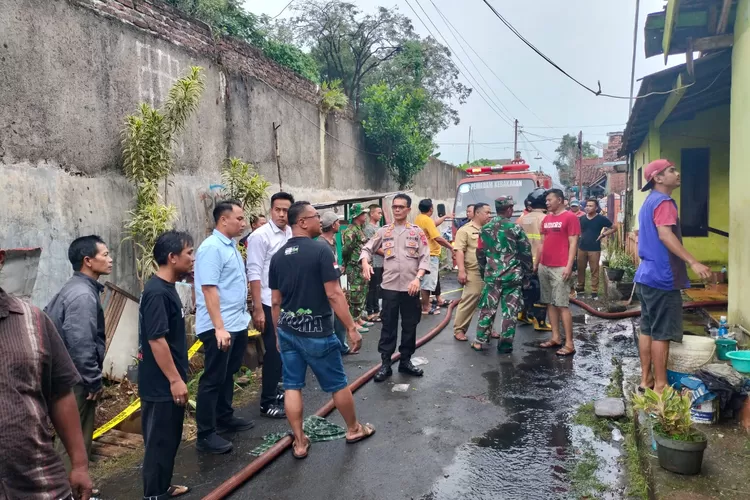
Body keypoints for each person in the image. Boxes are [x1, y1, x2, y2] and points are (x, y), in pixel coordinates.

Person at [269, 201, 375, 459]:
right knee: (337, 384)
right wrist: (351, 328)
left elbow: (275, 301)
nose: (320, 221)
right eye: (315, 217)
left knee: (292, 386)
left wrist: (277, 335)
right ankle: (353, 429)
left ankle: (301, 442)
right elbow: (334, 293)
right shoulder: (320, 251)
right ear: (302, 222)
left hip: (288, 330)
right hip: (317, 333)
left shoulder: (278, 256)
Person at [0, 249, 93, 500]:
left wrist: (80, 465)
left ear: (0, 259)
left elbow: (60, 393)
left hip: (40, 484)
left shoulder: (34, 321)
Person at [635, 159, 711, 394]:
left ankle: (645, 380)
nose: (677, 174)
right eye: (671, 170)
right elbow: (665, 236)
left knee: (648, 329)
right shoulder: (665, 202)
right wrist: (693, 261)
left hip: (645, 276)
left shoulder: (649, 202)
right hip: (662, 276)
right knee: (662, 333)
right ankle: (661, 386)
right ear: (657, 178)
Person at [45, 235, 112, 471]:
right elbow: (81, 343)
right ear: (88, 261)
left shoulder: (76, 288)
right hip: (76, 380)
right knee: (75, 438)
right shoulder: (82, 295)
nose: (110, 260)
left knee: (70, 435)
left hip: (67, 377)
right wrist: (93, 381)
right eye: (105, 255)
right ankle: (70, 490)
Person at [138, 231, 194, 500]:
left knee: (168, 439)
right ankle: (154, 494)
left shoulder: (167, 288)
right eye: (189, 253)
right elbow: (156, 340)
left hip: (167, 382)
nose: (193, 258)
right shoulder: (157, 293)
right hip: (161, 385)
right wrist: (174, 380)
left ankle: (162, 487)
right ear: (172, 258)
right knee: (159, 442)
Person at [195, 200, 254, 454]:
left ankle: (224, 417)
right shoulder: (211, 248)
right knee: (212, 378)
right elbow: (209, 288)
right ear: (223, 220)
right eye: (239, 219)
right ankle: (206, 434)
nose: (243, 223)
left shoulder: (230, 246)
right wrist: (219, 328)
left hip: (236, 323)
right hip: (219, 326)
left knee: (228, 373)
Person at [361, 194, 430, 382]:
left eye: (401, 207)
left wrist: (418, 278)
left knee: (410, 325)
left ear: (408, 209)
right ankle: (385, 363)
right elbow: (367, 248)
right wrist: (365, 263)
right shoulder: (384, 231)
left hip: (411, 287)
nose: (397, 210)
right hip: (390, 287)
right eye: (394, 207)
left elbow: (425, 257)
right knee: (388, 325)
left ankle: (405, 361)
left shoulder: (417, 232)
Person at [247, 192, 295, 420]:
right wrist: (257, 308)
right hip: (267, 302)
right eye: (278, 210)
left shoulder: (291, 233)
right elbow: (254, 273)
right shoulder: (260, 236)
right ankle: (266, 403)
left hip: (285, 302)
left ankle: (274, 390)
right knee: (274, 352)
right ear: (271, 210)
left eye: (286, 210)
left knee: (282, 349)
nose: (282, 214)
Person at [472, 197, 533, 353]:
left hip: (492, 275)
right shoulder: (515, 228)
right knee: (509, 311)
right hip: (512, 276)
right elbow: (525, 253)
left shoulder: (484, 229)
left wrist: (483, 270)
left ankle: (479, 341)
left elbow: (479, 252)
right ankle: (505, 345)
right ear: (509, 209)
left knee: (487, 308)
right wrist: (527, 274)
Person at [535, 189, 581, 357]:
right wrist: (536, 263)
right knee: (549, 303)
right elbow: (542, 243)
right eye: (546, 200)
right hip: (544, 266)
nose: (546, 203)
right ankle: (555, 337)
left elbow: (573, 243)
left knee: (562, 305)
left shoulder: (570, 217)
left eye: (549, 200)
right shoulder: (546, 219)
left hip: (560, 267)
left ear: (560, 200)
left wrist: (569, 266)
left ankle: (569, 343)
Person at [453, 202, 491, 341]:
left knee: (490, 301)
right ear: (477, 213)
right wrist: (461, 271)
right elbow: (459, 251)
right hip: (474, 271)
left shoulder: (489, 228)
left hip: (489, 270)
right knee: (470, 299)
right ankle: (459, 329)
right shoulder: (465, 230)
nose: (489, 215)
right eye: (487, 213)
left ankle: (488, 329)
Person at [516, 189, 551, 331]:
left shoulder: (522, 218)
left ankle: (523, 314)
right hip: (539, 260)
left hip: (522, 260)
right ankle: (540, 322)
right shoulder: (545, 219)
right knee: (540, 291)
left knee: (526, 289)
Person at [319, 211, 352, 354]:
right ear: (333, 225)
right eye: (338, 222)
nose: (339, 224)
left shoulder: (332, 242)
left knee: (340, 318)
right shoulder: (321, 245)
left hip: (336, 284)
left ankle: (342, 347)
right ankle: (331, 350)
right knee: (330, 321)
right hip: (327, 290)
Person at [414, 199, 454, 315]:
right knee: (427, 283)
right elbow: (437, 238)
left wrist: (445, 217)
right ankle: (426, 307)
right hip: (430, 255)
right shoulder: (426, 220)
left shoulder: (420, 218)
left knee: (429, 281)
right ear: (431, 209)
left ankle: (428, 303)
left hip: (425, 254)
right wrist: (450, 247)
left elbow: (433, 224)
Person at [576, 198, 617, 299]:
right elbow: (577, 231)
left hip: (594, 248)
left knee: (594, 270)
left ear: (596, 207)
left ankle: (594, 291)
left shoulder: (601, 218)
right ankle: (580, 288)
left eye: (591, 206)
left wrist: (603, 234)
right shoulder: (581, 219)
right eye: (587, 205)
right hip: (582, 247)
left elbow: (614, 228)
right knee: (581, 268)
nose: (588, 208)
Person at [341, 204, 371, 331]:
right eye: (363, 213)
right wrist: (346, 264)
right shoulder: (351, 231)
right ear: (357, 216)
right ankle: (353, 322)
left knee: (362, 293)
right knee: (355, 294)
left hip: (362, 267)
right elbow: (346, 250)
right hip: (354, 268)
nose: (365, 215)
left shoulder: (360, 229)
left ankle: (358, 318)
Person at [364, 204, 384, 322]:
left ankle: (377, 310)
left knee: (378, 287)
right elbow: (373, 247)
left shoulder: (380, 228)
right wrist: (388, 253)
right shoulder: (369, 229)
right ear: (371, 214)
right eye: (378, 213)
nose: (380, 215)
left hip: (381, 262)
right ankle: (370, 311)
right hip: (373, 262)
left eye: (381, 213)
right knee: (372, 287)